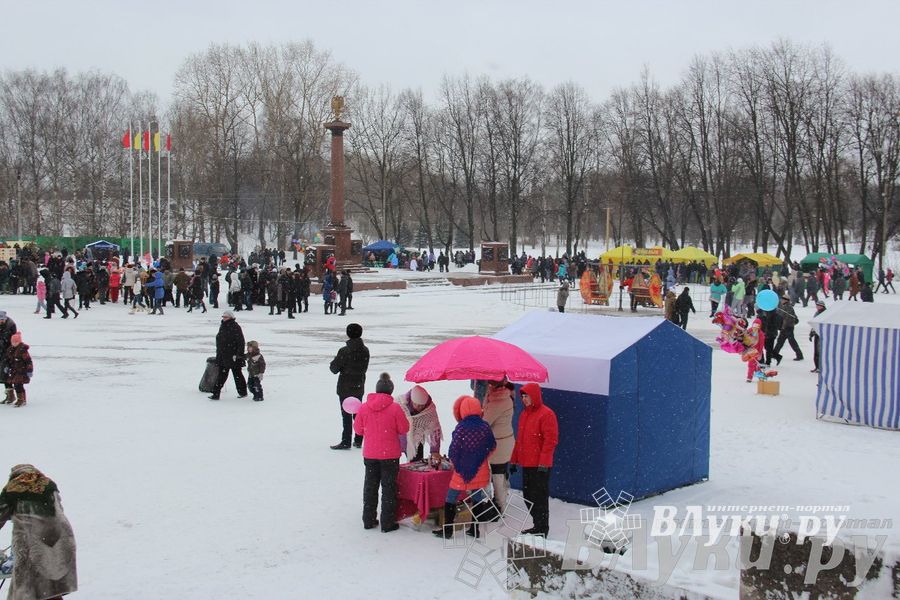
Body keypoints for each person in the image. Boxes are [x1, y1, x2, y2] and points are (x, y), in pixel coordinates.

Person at [0, 464, 78, 599]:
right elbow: (57, 512)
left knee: (26, 592)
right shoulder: (49, 485)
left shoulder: (12, 488)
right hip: (61, 541)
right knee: (51, 590)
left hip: (32, 545)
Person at [433, 395, 496, 539]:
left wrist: (458, 465)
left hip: (461, 471)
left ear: (462, 410)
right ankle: (475, 529)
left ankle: (447, 530)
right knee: (478, 498)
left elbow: (453, 451)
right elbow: (492, 446)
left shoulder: (461, 428)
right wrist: (480, 459)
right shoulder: (485, 426)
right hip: (480, 469)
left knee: (451, 498)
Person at [354, 373, 410, 533]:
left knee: (370, 487)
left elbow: (357, 430)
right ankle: (388, 522)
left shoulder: (364, 407)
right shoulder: (395, 408)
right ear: (391, 391)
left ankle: (368, 519)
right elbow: (404, 429)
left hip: (370, 454)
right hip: (390, 455)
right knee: (389, 488)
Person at [510, 382, 558, 536]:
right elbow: (520, 440)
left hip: (539, 465)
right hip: (527, 463)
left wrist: (544, 463)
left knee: (539, 497)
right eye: (522, 396)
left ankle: (542, 528)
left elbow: (550, 440)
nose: (524, 399)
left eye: (527, 396)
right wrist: (514, 460)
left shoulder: (546, 414)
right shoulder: (524, 414)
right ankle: (538, 524)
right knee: (528, 496)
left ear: (534, 396)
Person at [329, 323, 370, 450]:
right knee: (358, 414)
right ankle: (358, 439)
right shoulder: (365, 350)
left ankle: (346, 440)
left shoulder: (344, 351)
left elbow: (334, 368)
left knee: (346, 415)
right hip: (359, 385)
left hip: (345, 386)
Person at [482, 380, 515, 513]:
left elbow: (485, 422)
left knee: (497, 474)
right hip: (504, 441)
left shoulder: (498, 401)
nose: (488, 386)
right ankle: (499, 501)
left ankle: (499, 507)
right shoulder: (504, 397)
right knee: (500, 472)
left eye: (490, 384)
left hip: (499, 444)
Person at [396, 384, 443, 462]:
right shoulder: (399, 403)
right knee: (394, 469)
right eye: (416, 404)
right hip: (398, 440)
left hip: (417, 441)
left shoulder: (429, 409)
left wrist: (434, 451)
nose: (418, 407)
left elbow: (435, 429)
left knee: (416, 466)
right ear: (411, 400)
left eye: (421, 406)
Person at [209, 311, 248, 400]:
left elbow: (240, 341)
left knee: (237, 374)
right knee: (222, 376)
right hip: (223, 356)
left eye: (226, 317)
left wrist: (238, 354)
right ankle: (216, 393)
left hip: (233, 356)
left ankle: (242, 392)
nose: (224, 318)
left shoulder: (235, 327)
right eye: (223, 317)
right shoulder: (223, 326)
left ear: (231, 318)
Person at [2, 332, 32, 407]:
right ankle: (16, 398)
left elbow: (28, 361)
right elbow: (8, 360)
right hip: (13, 370)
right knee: (15, 384)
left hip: (21, 371)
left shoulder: (22, 350)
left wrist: (29, 370)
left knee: (18, 384)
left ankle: (21, 399)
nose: (14, 344)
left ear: (19, 342)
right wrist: (7, 367)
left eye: (16, 342)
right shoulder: (10, 349)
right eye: (13, 342)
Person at [772, 296, 803, 362]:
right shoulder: (785, 306)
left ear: (786, 300)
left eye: (782, 299)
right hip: (786, 327)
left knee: (791, 341)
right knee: (780, 341)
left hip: (788, 327)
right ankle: (774, 354)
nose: (781, 300)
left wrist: (783, 326)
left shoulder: (788, 307)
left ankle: (799, 355)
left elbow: (787, 318)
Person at [809, 301, 826, 373]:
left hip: (821, 334)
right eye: (816, 305)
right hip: (816, 334)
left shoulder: (825, 313)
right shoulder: (817, 313)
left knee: (819, 351)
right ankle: (817, 366)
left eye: (818, 305)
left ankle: (820, 367)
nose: (817, 307)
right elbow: (814, 324)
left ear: (822, 306)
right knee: (816, 351)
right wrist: (811, 333)